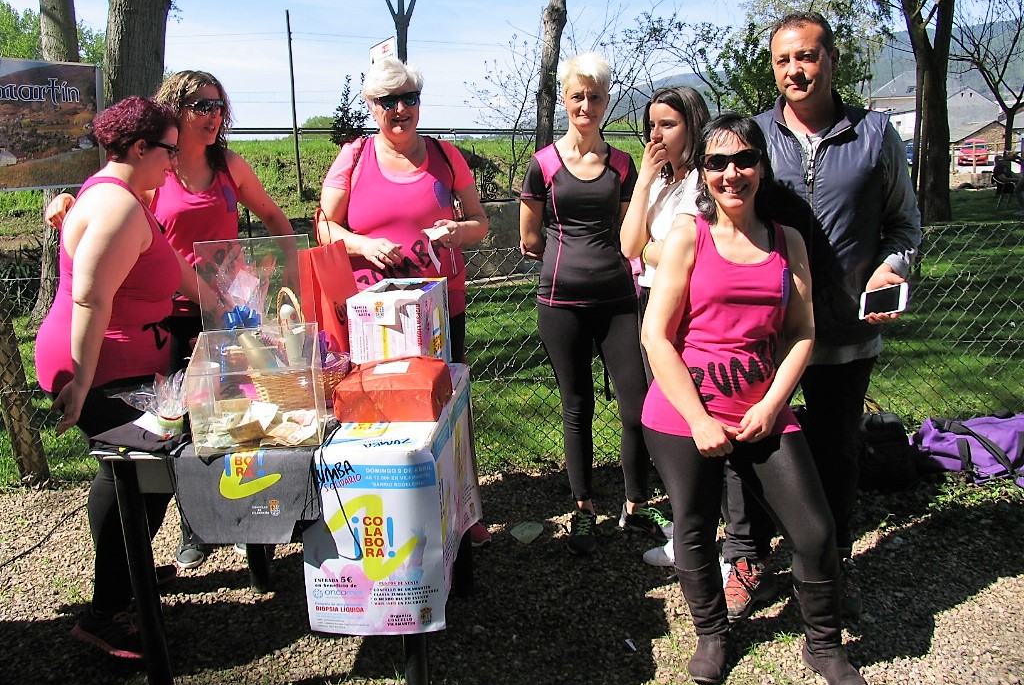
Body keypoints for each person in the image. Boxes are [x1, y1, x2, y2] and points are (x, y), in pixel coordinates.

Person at [642, 112, 867, 685]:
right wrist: (699, 420)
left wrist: (771, 405)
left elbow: (802, 332)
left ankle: (824, 645)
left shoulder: (787, 241)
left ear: (762, 168)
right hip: (684, 415)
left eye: (744, 160)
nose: (731, 173)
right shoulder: (688, 235)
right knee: (694, 529)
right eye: (717, 162)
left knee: (814, 531)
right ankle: (713, 635)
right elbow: (655, 337)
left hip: (762, 411)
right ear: (703, 172)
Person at [45, 70, 295, 569]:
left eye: (219, 106)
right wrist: (68, 203)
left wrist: (271, 291)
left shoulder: (219, 168)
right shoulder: (140, 187)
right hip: (152, 331)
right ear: (169, 119)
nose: (214, 115)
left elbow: (257, 224)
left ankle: (235, 535)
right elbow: (93, 283)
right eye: (202, 105)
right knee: (159, 455)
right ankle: (171, 548)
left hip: (214, 317)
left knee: (224, 430)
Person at [719, 12, 921, 623]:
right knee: (748, 445)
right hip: (763, 335)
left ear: (831, 59)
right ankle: (747, 556)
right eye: (782, 60)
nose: (795, 71)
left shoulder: (875, 134)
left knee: (837, 450)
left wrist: (893, 269)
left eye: (806, 56)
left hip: (844, 332)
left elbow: (905, 226)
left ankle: (830, 562)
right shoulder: (753, 135)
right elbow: (722, 215)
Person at [35, 96, 204, 660]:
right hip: (101, 367)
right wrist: (82, 381)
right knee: (134, 475)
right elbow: (89, 297)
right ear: (138, 148)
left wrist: (228, 304)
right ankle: (105, 613)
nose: (174, 163)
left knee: (141, 476)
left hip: (122, 363)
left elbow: (171, 270)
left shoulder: (127, 198)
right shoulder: (117, 207)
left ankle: (128, 576)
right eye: (169, 151)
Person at [316, 57, 492, 547]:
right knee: (379, 407)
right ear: (371, 107)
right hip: (374, 315)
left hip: (439, 310)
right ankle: (389, 506)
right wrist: (363, 244)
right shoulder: (354, 157)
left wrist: (459, 230)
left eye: (409, 99)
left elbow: (480, 222)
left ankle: (462, 508)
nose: (400, 110)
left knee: (448, 407)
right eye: (387, 101)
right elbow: (324, 226)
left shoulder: (446, 156)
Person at [519, 52, 666, 556]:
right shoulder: (542, 165)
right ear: (564, 99)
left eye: (596, 97)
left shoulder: (622, 164)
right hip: (560, 303)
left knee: (636, 405)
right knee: (576, 406)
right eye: (577, 96)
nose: (586, 105)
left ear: (606, 102)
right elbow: (530, 239)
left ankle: (636, 505)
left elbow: (631, 229)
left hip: (618, 301)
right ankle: (583, 508)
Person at [618, 87, 710, 566]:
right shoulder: (660, 181)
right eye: (651, 125)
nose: (656, 134)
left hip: (687, 306)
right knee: (665, 410)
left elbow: (687, 254)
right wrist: (643, 182)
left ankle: (700, 533)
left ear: (693, 125)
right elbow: (628, 244)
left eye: (668, 124)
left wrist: (655, 249)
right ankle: (689, 520)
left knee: (686, 408)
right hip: (650, 299)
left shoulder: (702, 182)